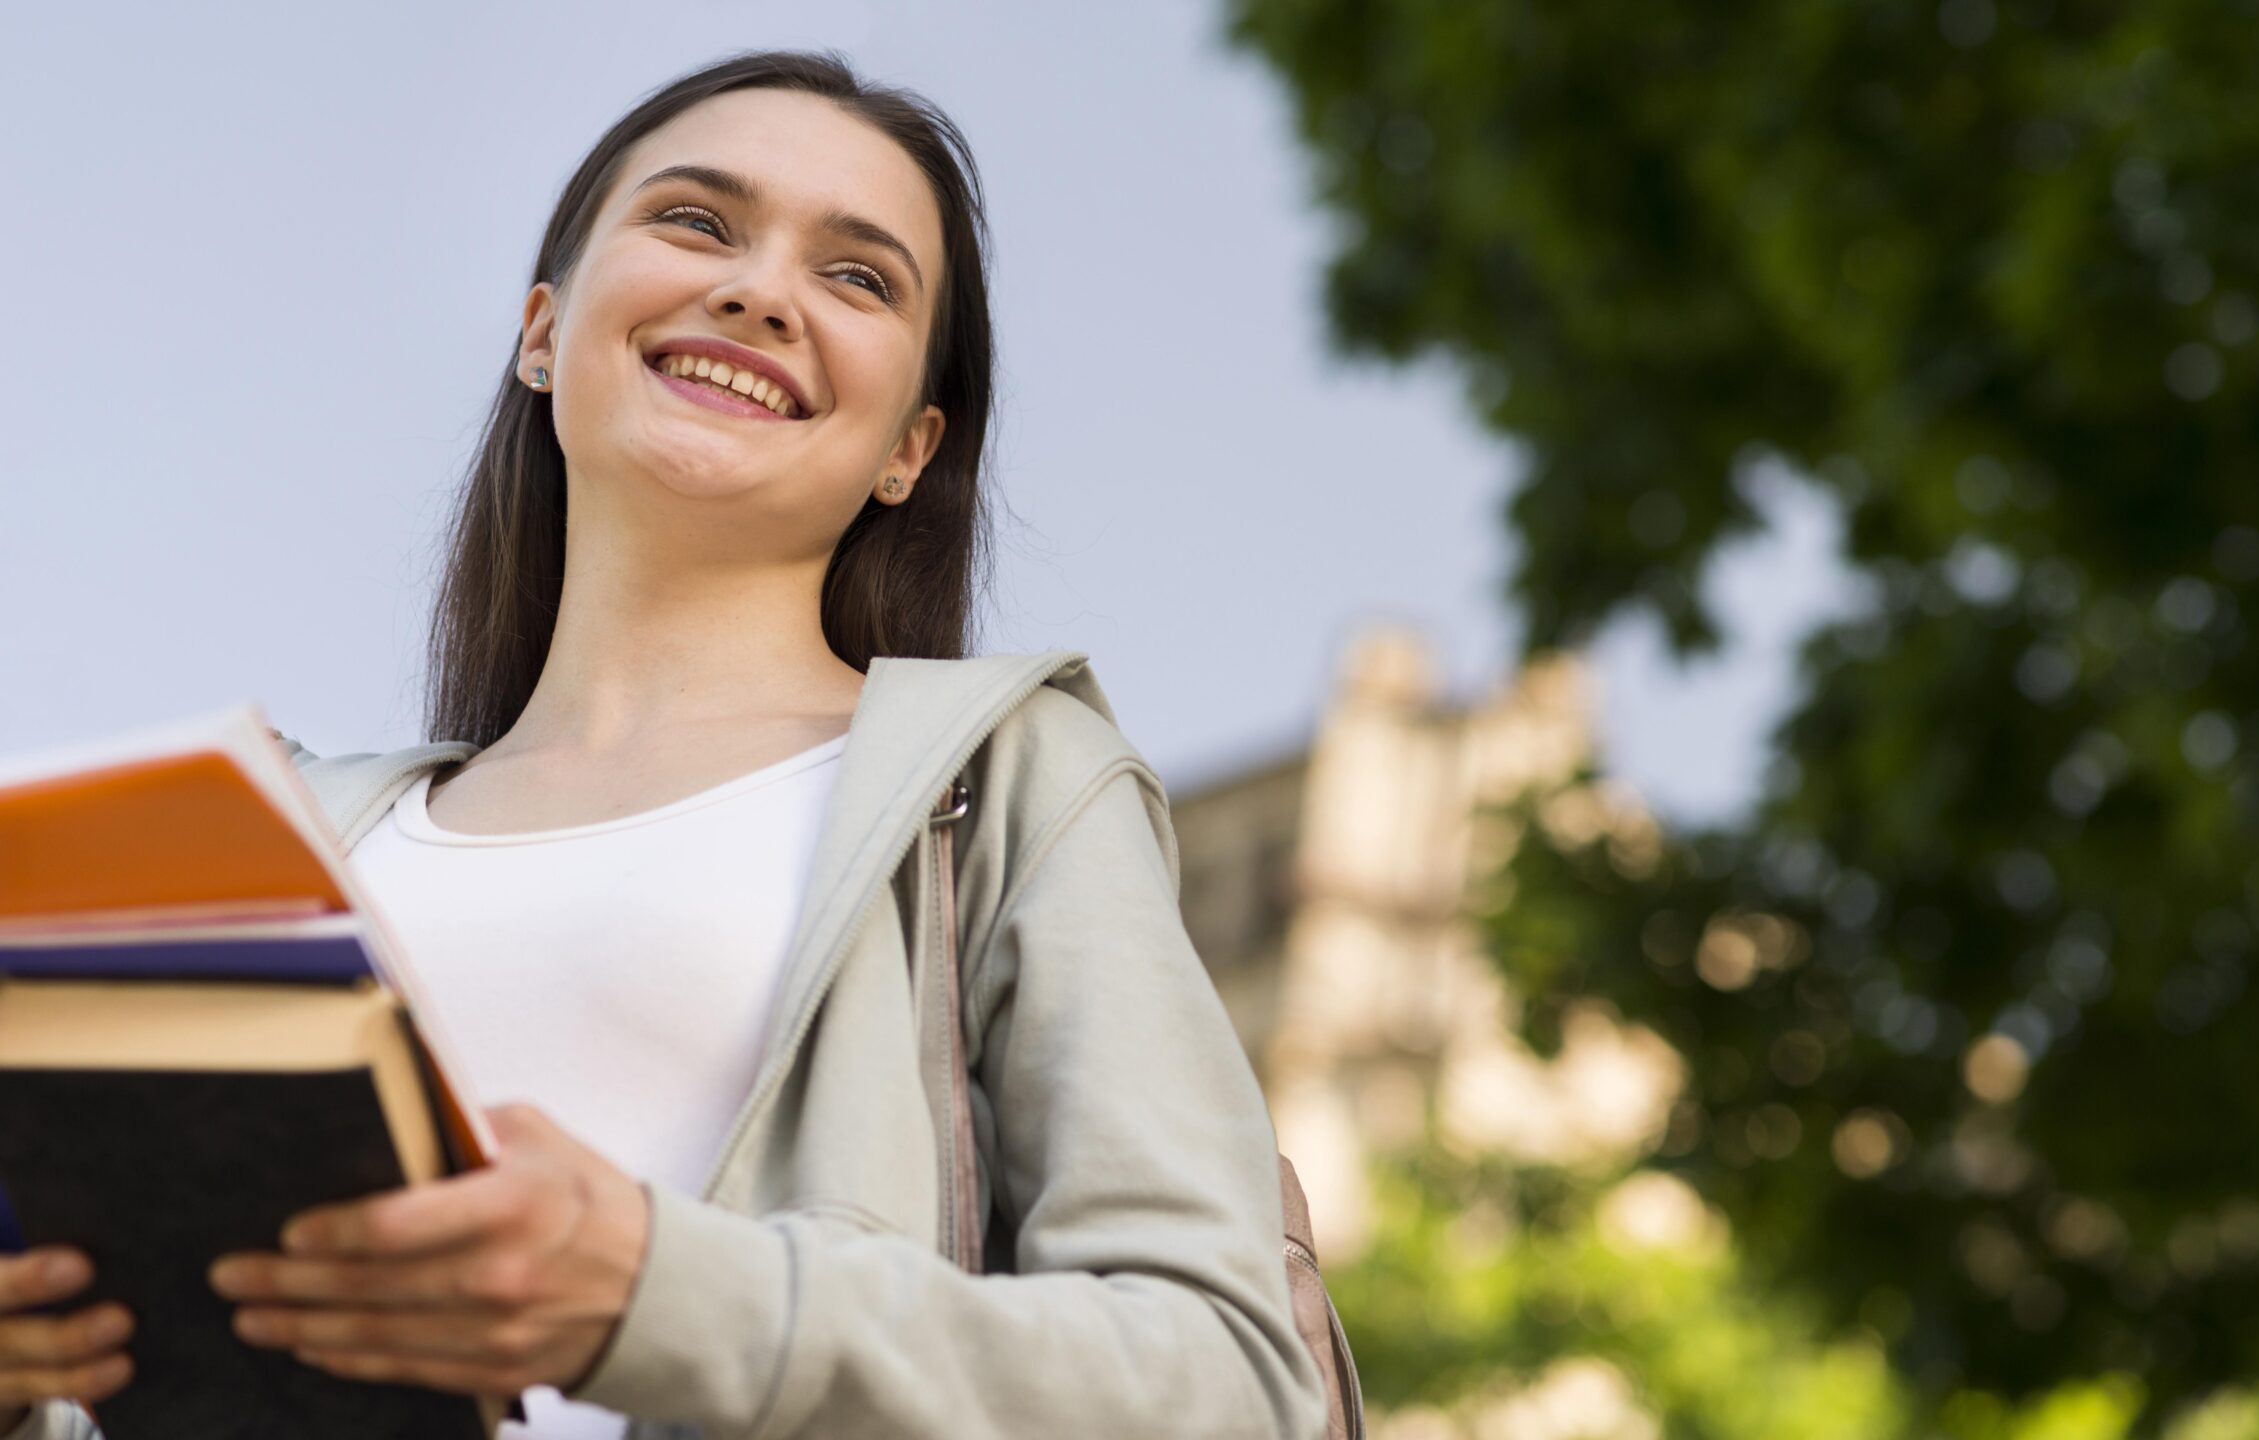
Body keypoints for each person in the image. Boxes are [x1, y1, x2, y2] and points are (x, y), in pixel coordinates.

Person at [0, 48, 1329, 1440]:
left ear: (911, 449)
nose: (759, 291)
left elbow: (1232, 1385)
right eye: (697, 222)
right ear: (540, 331)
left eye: (861, 277)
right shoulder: (283, 835)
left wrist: (654, 1294)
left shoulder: (1005, 787)